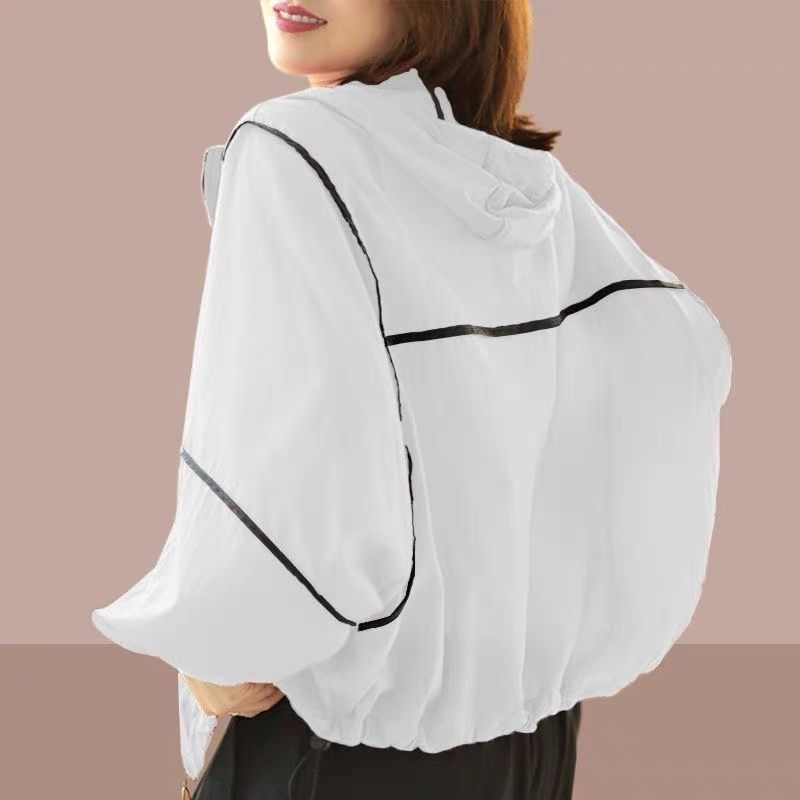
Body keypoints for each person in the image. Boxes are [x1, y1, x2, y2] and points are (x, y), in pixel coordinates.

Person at [91, 1, 732, 798]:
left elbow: (285, 465)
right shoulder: (521, 185)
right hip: (532, 745)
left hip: (332, 748)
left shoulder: (293, 146)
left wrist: (218, 651)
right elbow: (682, 352)